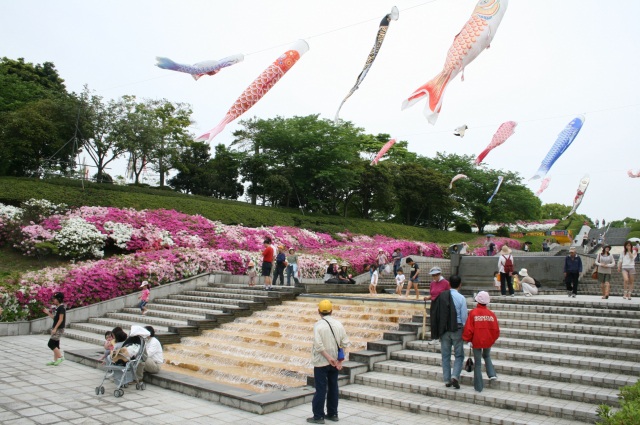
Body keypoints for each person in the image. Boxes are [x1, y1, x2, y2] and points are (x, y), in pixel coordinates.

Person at [308, 300, 349, 424]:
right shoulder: (338, 324)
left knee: (320, 388)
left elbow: (318, 346)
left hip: (321, 362)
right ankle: (333, 414)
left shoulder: (318, 325)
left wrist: (327, 357)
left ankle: (318, 416)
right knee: (333, 387)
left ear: (319, 311)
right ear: (331, 310)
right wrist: (339, 361)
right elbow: (344, 343)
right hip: (335, 362)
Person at [431, 275, 467, 389]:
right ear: (460, 284)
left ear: (449, 284)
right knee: (459, 355)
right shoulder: (461, 298)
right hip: (457, 328)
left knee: (445, 355)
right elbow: (464, 316)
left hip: (444, 329)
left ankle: (447, 379)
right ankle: (455, 376)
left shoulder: (442, 296)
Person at [462, 291, 499, 392]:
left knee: (477, 364)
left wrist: (468, 339)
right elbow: (496, 330)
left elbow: (469, 329)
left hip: (476, 341)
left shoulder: (473, 313)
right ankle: (492, 374)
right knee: (487, 356)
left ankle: (478, 387)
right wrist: (492, 339)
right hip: (488, 340)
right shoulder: (491, 314)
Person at [42, 292, 65, 366]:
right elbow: (55, 318)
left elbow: (61, 319)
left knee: (50, 344)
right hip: (57, 328)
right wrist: (48, 313)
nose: (53, 300)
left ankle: (61, 357)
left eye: (55, 299)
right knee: (56, 344)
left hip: (59, 328)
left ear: (59, 299)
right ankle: (55, 360)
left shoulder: (61, 308)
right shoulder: (58, 308)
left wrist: (55, 328)